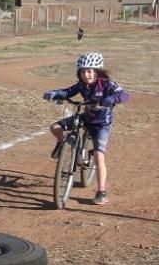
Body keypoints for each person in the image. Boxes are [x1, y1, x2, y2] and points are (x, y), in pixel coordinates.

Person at [42, 52, 130, 205]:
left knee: (98, 156)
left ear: (97, 71)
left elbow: (124, 95)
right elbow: (68, 91)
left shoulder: (107, 84)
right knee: (55, 127)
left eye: (89, 71)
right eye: (83, 71)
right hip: (86, 116)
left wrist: (109, 99)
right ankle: (62, 142)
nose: (86, 74)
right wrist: (54, 93)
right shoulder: (81, 85)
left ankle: (101, 191)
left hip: (101, 123)